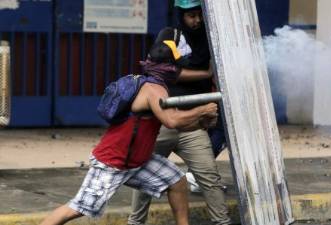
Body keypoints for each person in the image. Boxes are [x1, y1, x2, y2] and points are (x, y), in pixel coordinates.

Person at [39, 41, 218, 225]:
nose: (179, 70)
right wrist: (202, 110)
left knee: (177, 181)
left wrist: (200, 123)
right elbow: (172, 121)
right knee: (77, 208)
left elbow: (177, 124)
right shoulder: (153, 90)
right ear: (169, 67)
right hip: (113, 162)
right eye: (176, 66)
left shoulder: (157, 87)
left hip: (138, 162)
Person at [128, 1, 231, 225]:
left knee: (209, 178)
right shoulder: (170, 35)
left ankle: (222, 222)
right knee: (145, 178)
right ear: (180, 15)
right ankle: (135, 223)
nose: (196, 20)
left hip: (192, 124)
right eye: (191, 16)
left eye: (198, 15)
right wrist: (205, 72)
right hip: (162, 123)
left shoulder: (209, 35)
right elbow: (167, 71)